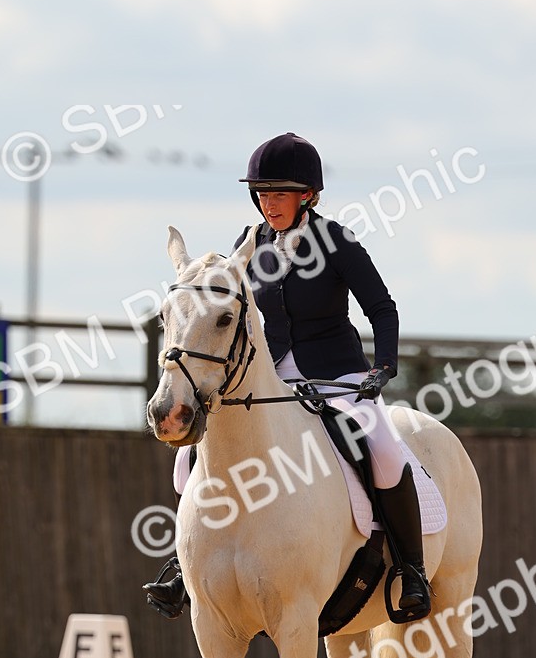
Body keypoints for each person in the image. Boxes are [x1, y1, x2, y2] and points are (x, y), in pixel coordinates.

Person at [144, 132, 431, 622]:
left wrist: (382, 366)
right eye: (261, 193)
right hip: (270, 380)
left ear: (308, 196)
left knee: (383, 451)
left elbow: (382, 309)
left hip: (337, 375)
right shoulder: (248, 245)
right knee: (187, 461)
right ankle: (185, 566)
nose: (268, 203)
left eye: (278, 193)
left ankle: (411, 568)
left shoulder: (336, 241)